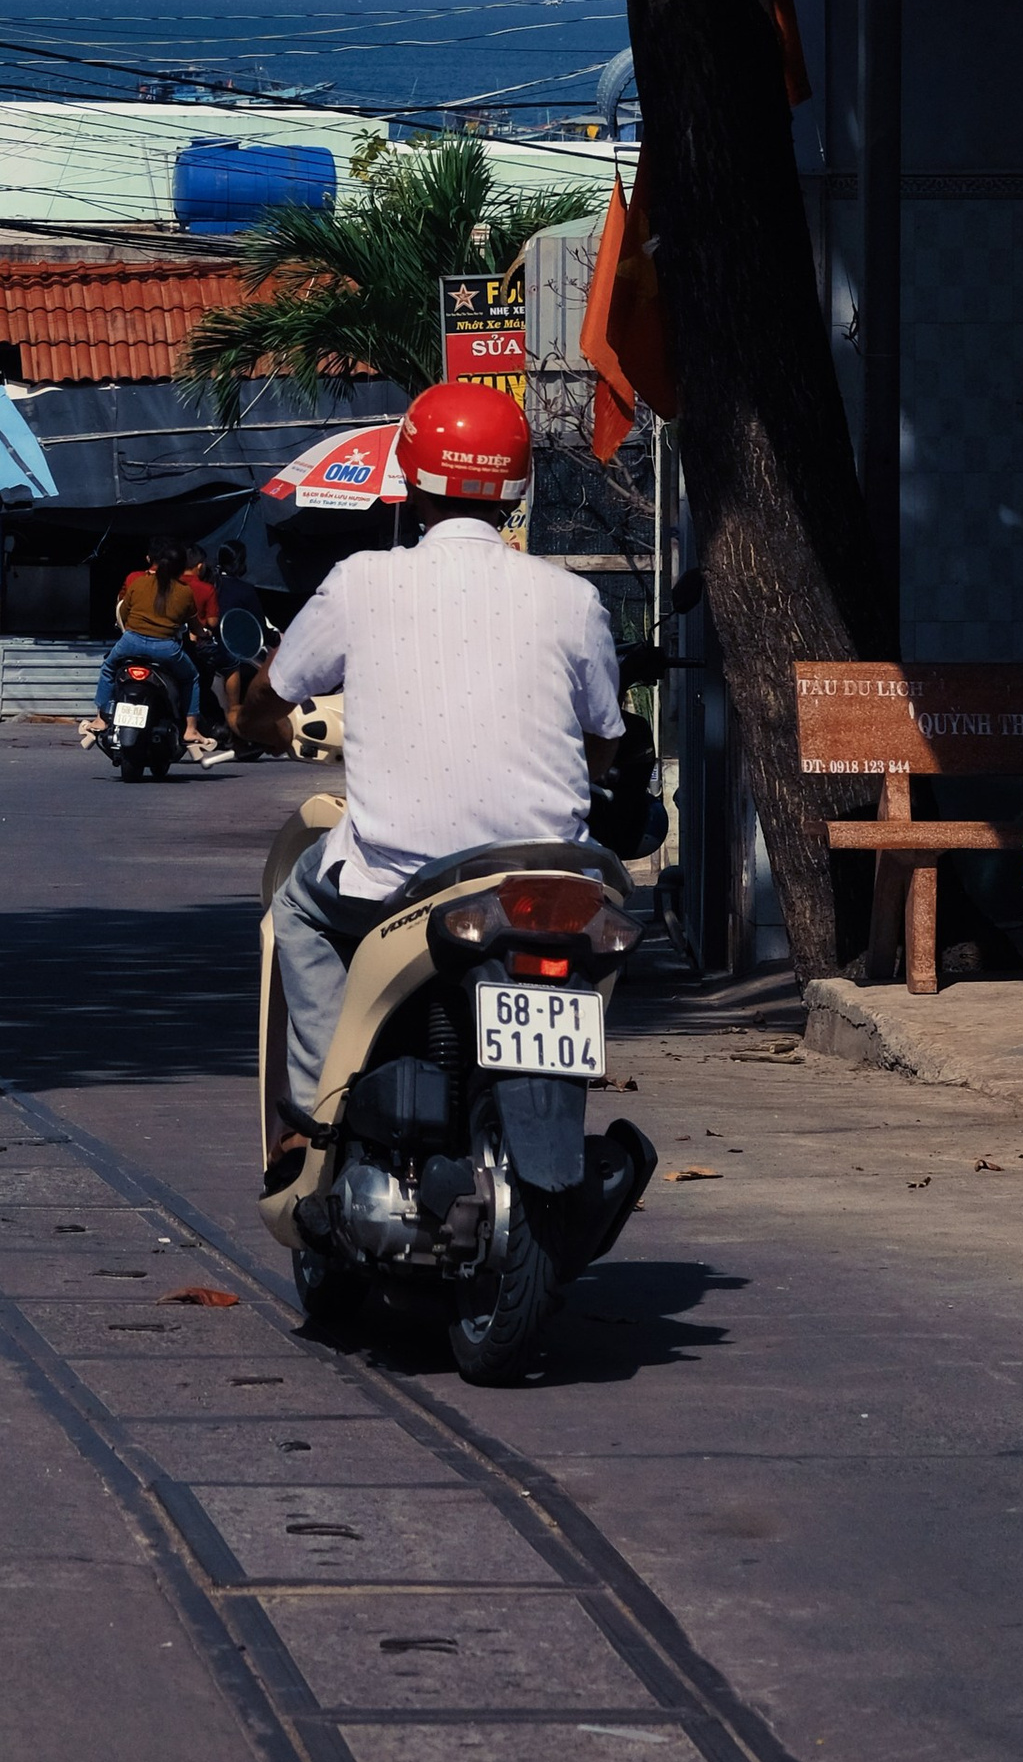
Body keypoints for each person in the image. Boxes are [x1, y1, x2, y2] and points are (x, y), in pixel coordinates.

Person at [261, 383, 622, 1172]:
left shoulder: (361, 581)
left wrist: (246, 716)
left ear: (410, 479)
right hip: (550, 879)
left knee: (298, 909)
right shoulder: (574, 599)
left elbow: (276, 690)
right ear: (516, 489)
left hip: (396, 878)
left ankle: (323, 1113)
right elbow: (603, 744)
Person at [86, 547, 230, 764]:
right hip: (165, 649)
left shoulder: (138, 583)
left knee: (108, 667)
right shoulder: (184, 592)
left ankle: (99, 719)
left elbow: (122, 615)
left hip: (130, 643)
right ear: (181, 568)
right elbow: (195, 626)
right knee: (191, 678)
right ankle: (191, 729)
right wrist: (204, 633)